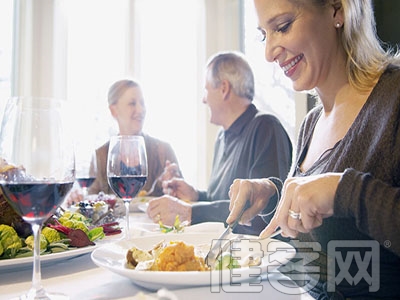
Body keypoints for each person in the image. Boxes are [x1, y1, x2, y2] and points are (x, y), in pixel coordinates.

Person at [227, 0, 400, 299]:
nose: (269, 53)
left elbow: (343, 195)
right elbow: (319, 244)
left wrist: (344, 191)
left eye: (282, 27)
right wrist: (273, 196)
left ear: (337, 11)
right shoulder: (311, 123)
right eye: (263, 35)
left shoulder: (394, 99)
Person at [147, 51, 293, 235]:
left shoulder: (266, 127)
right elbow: (225, 200)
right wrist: (196, 196)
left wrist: (189, 212)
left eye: (206, 89)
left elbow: (261, 212)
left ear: (224, 88)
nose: (204, 99)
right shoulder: (221, 137)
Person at [66, 79, 181, 205]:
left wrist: (171, 185)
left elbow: (182, 199)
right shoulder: (102, 155)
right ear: (113, 111)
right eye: (132, 103)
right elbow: (91, 198)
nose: (141, 109)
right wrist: (79, 197)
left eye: (142, 103)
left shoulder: (163, 151)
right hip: (117, 224)